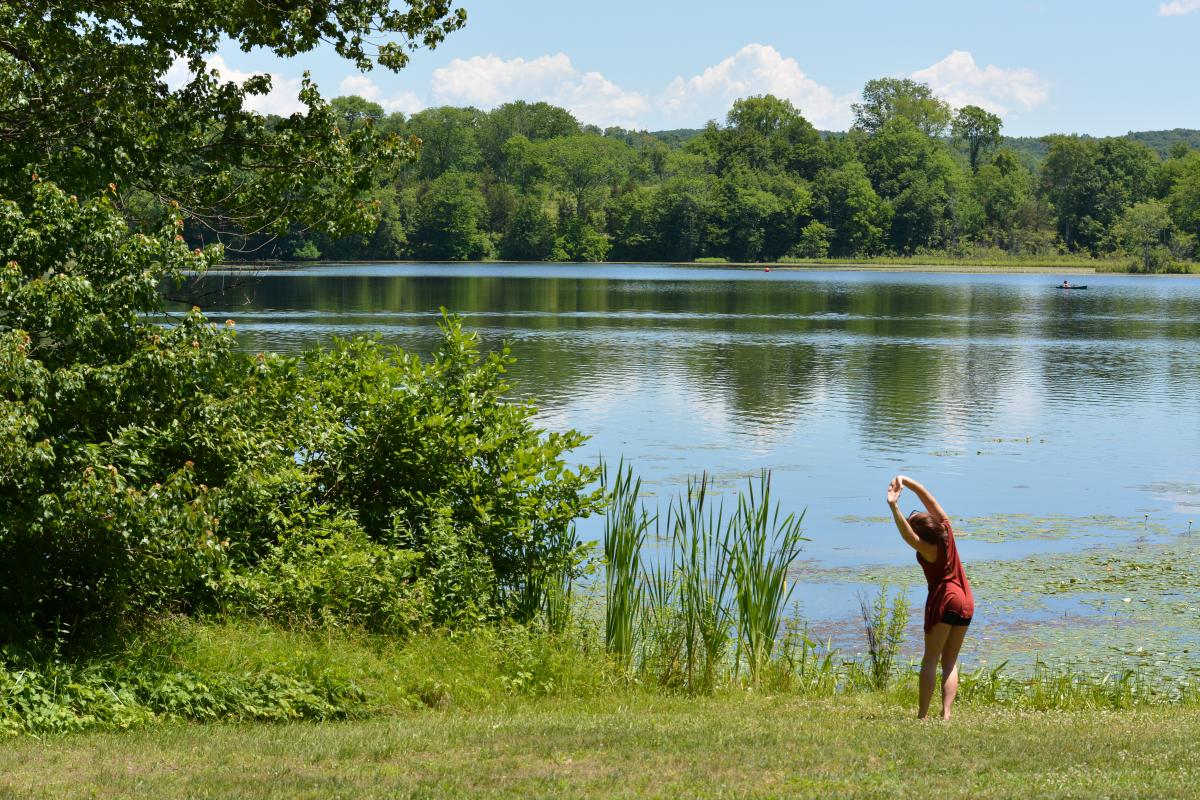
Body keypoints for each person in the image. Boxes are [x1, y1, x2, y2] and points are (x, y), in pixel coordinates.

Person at [886, 475, 974, 720]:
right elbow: (929, 498)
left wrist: (894, 506)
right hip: (966, 598)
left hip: (946, 598)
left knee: (931, 659)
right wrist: (908, 482)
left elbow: (908, 537)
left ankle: (922, 716)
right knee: (950, 662)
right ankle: (946, 715)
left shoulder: (928, 548)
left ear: (922, 535)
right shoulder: (946, 529)